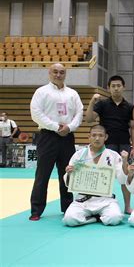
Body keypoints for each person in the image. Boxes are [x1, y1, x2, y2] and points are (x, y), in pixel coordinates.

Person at [29, 63, 83, 221]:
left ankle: (67, 207)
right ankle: (36, 210)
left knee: (67, 173)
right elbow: (36, 113)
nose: (58, 75)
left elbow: (79, 112)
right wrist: (55, 126)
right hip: (48, 136)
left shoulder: (72, 93)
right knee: (42, 174)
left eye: (61, 72)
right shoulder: (41, 92)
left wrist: (70, 127)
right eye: (55, 72)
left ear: (65, 74)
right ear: (49, 73)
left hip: (67, 136)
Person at [85, 75, 134, 214]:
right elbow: (89, 119)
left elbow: (133, 127)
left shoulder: (129, 106)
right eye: (113, 86)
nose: (116, 88)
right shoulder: (102, 104)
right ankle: (97, 205)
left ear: (123, 87)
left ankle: (127, 206)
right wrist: (92, 101)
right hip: (105, 146)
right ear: (109, 88)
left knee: (125, 177)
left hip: (124, 146)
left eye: (118, 86)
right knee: (102, 176)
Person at [62, 125, 128, 226]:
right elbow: (68, 183)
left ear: (105, 137)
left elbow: (122, 180)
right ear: (89, 137)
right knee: (69, 219)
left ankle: (94, 217)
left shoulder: (113, 155)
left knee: (115, 218)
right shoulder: (79, 155)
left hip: (105, 199)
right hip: (83, 199)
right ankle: (94, 219)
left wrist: (124, 163)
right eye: (94, 135)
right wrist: (69, 173)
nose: (97, 138)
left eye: (100, 135)